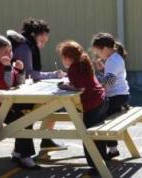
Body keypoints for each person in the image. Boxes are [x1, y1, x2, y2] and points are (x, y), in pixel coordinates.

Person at [6, 18, 67, 152]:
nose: (43, 45)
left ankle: (46, 140)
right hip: (15, 94)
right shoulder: (25, 47)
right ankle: (31, 147)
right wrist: (54, 74)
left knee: (52, 104)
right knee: (52, 103)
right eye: (42, 41)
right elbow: (30, 74)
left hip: (18, 90)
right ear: (35, 35)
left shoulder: (26, 43)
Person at [0, 35, 41, 170]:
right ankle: (24, 156)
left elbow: (18, 83)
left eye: (10, 51)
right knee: (23, 121)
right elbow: (6, 86)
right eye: (4, 52)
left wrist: (20, 70)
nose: (8, 54)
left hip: (7, 106)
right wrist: (8, 68)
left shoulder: (8, 65)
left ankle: (18, 152)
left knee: (26, 119)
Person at [56, 40, 108, 176]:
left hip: (91, 103)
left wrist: (65, 86)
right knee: (97, 133)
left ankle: (94, 163)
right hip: (101, 98)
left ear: (68, 57)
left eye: (62, 57)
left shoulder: (73, 68)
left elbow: (80, 87)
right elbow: (85, 82)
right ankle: (102, 158)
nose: (62, 60)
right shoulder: (84, 61)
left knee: (88, 134)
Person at [91, 33, 131, 160]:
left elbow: (110, 80)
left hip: (116, 96)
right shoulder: (114, 58)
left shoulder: (112, 60)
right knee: (103, 115)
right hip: (121, 96)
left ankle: (103, 152)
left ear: (105, 49)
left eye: (98, 51)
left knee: (98, 118)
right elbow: (113, 76)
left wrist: (99, 90)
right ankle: (113, 149)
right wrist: (103, 70)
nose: (98, 55)